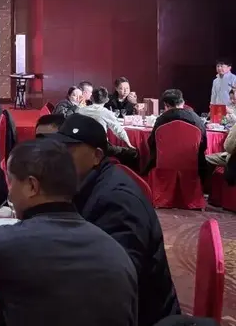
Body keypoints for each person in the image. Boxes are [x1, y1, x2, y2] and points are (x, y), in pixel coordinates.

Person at [0, 139, 137, 326]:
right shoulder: (115, 251)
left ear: (32, 186)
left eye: (11, 183)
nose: (9, 194)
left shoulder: (10, 242)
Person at [47, 114, 181, 326]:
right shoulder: (86, 184)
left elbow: (117, 278)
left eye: (68, 150)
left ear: (97, 156)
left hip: (139, 315)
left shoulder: (117, 201)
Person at [143, 89, 207, 181]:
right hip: (193, 164)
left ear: (166, 105)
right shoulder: (195, 118)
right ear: (183, 102)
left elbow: (152, 142)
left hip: (164, 164)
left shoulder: (161, 120)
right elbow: (203, 144)